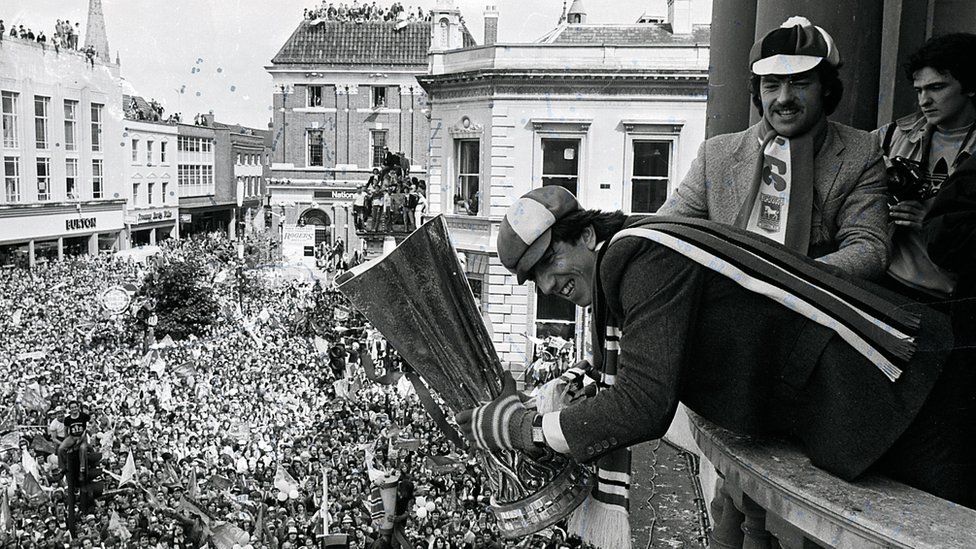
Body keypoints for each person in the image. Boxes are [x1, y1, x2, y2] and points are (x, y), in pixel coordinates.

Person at [457, 186, 975, 514]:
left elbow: (643, 403)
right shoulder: (639, 249)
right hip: (888, 389)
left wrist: (526, 430)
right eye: (535, 279)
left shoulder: (638, 260)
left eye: (550, 262)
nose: (549, 285)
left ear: (588, 235)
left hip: (899, 392)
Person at [657, 16, 891, 280]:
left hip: (812, 304)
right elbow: (666, 232)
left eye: (799, 83)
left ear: (826, 88)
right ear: (758, 91)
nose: (784, 98)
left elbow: (869, 248)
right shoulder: (716, 154)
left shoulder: (861, 152)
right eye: (771, 84)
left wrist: (787, 281)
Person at [876, 33, 976, 303]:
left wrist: (934, 222)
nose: (924, 100)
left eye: (937, 88)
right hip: (887, 281)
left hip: (951, 297)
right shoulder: (892, 136)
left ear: (970, 86)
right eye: (919, 90)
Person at [58, 400, 91, 479]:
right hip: (72, 437)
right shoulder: (67, 419)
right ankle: (62, 467)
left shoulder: (84, 416)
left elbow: (87, 427)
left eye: (75, 407)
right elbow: (66, 430)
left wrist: (82, 438)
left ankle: (82, 469)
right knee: (60, 449)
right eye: (72, 408)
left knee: (82, 449)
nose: (74, 409)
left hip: (82, 436)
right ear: (70, 409)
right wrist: (66, 441)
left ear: (78, 407)